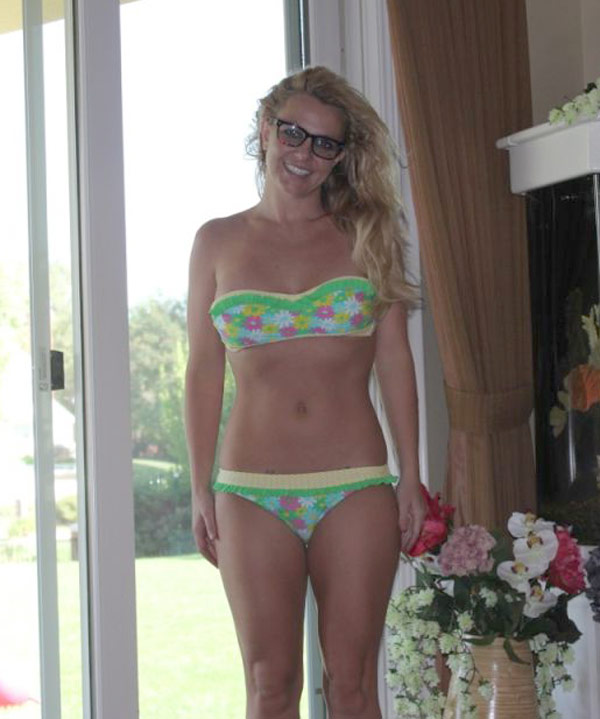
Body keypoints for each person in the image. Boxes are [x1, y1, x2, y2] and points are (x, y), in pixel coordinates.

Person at [185, 66, 426, 719]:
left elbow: (395, 359)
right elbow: (203, 371)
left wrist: (410, 474)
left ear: (340, 156)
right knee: (269, 685)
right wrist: (200, 487)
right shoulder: (216, 241)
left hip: (355, 483)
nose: (305, 154)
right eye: (293, 133)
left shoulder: (368, 235)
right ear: (266, 130)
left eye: (325, 144)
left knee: (351, 685)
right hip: (249, 490)